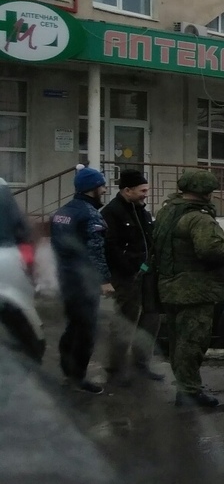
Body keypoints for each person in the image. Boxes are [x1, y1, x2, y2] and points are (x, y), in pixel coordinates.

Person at [152, 170, 224, 408]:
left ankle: (185, 387)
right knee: (193, 342)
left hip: (170, 286)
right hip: (194, 290)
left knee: (179, 341)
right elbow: (209, 250)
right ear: (207, 193)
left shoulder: (167, 211)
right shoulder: (198, 218)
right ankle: (189, 391)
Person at [49, 167, 114, 393]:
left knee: (72, 326)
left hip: (66, 278)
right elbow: (95, 251)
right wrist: (104, 280)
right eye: (102, 186)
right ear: (92, 189)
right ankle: (78, 377)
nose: (104, 190)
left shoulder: (62, 212)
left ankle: (68, 372)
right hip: (83, 281)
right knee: (86, 330)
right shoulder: (90, 214)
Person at [99, 169, 163, 382]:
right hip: (127, 277)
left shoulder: (142, 211)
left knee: (151, 317)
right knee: (124, 321)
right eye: (142, 190)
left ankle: (142, 364)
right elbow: (109, 246)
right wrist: (127, 269)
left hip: (147, 274)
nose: (146, 194)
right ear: (127, 190)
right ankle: (115, 369)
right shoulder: (112, 212)